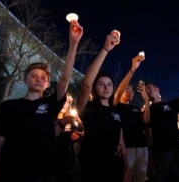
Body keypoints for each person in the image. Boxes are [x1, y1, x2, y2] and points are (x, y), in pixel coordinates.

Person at [0, 20, 83, 182]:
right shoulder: (8, 106)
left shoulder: (50, 105)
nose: (38, 79)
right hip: (10, 173)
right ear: (25, 80)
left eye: (43, 78)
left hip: (41, 175)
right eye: (33, 76)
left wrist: (73, 43)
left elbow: (65, 78)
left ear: (47, 84)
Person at [76, 31, 125, 182]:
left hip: (114, 165)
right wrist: (105, 50)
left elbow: (120, 138)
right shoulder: (88, 108)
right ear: (94, 88)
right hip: (92, 165)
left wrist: (127, 165)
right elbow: (85, 85)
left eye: (109, 84)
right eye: (101, 84)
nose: (106, 87)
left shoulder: (115, 111)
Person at [145, 60, 179, 182]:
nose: (147, 91)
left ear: (157, 89)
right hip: (160, 153)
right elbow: (147, 125)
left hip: (176, 149)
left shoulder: (170, 105)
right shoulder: (147, 111)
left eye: (149, 88)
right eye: (145, 90)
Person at [113, 54, 150, 182]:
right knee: (127, 176)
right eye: (127, 90)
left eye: (132, 91)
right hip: (127, 147)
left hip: (141, 146)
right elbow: (117, 94)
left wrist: (146, 98)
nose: (131, 92)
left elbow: (146, 122)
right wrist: (132, 70)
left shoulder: (136, 108)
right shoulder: (117, 106)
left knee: (141, 177)